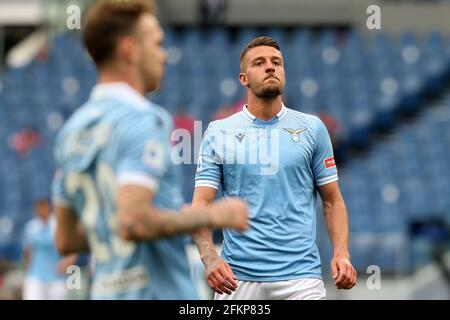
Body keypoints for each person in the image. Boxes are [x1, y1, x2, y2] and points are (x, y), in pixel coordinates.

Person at [51, 0, 248, 300]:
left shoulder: (73, 130)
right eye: (157, 43)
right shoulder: (144, 119)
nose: (164, 54)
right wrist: (214, 215)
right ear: (131, 50)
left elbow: (65, 240)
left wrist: (164, 217)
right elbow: (134, 221)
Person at [192, 36, 357, 300]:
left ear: (284, 73)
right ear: (243, 78)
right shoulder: (219, 132)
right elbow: (201, 205)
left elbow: (332, 200)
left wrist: (341, 253)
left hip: (301, 280)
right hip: (238, 280)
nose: (270, 67)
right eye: (259, 63)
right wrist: (210, 257)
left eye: (276, 62)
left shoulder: (313, 129)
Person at [22, 199, 68, 300]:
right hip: (35, 275)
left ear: (49, 208)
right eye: (39, 209)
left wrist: (66, 263)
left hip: (56, 276)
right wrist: (27, 268)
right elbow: (27, 250)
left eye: (44, 208)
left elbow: (70, 248)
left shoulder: (58, 226)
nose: (41, 211)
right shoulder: (31, 227)